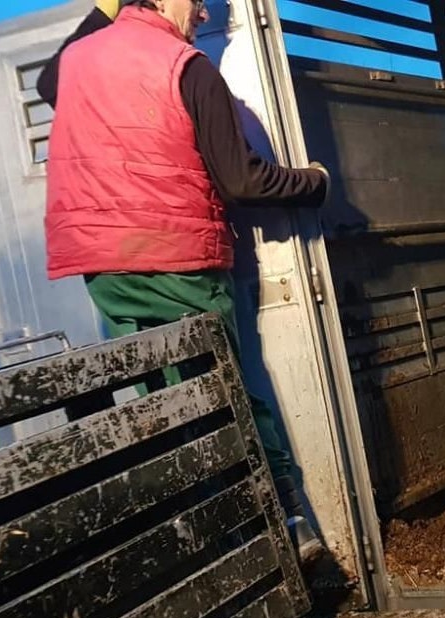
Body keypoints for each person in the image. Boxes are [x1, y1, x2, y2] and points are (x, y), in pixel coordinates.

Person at [38, 0, 329, 563]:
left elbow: (50, 78)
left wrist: (111, 9)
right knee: (224, 394)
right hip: (180, 261)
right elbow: (245, 181)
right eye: (197, 1)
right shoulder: (187, 65)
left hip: (106, 269)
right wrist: (314, 183)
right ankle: (284, 519)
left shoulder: (74, 62)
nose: (201, 13)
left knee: (157, 403)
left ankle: (201, 539)